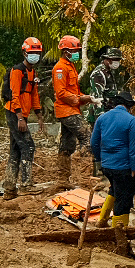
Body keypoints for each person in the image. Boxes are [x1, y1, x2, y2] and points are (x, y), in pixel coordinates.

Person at [89, 90, 135, 229]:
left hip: (107, 166)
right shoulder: (131, 120)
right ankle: (118, 232)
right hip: (123, 167)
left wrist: (100, 159)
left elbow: (94, 143)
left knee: (114, 189)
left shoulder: (102, 118)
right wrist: (134, 168)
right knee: (123, 200)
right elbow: (133, 149)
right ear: (129, 106)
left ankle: (102, 220)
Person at [1, 36, 46, 198]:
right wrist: (20, 118)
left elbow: (34, 95)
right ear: (25, 53)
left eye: (37, 54)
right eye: (32, 53)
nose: (35, 56)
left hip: (22, 114)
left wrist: (39, 115)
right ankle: (26, 184)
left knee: (15, 150)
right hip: (14, 113)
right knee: (28, 146)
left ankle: (9, 188)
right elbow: (14, 94)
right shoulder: (17, 71)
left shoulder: (32, 72)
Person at [51, 34, 87, 188]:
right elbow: (61, 93)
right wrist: (80, 99)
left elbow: (73, 91)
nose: (77, 53)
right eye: (75, 51)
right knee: (87, 136)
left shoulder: (70, 66)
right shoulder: (60, 68)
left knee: (67, 144)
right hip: (67, 110)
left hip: (71, 109)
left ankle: (62, 180)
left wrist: (86, 98)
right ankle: (89, 174)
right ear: (66, 51)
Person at [87, 45, 128, 118]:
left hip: (109, 111)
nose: (117, 62)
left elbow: (110, 92)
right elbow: (97, 98)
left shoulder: (110, 71)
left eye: (118, 60)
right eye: (115, 59)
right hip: (99, 114)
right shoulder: (99, 73)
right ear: (107, 59)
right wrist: (101, 118)